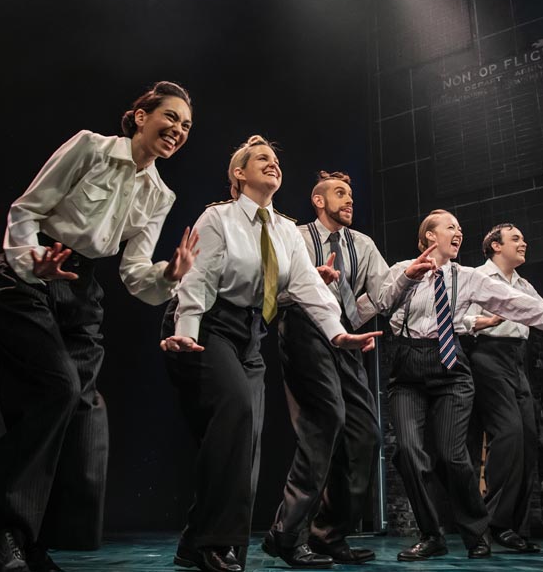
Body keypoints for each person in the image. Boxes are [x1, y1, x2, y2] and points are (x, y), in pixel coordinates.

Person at [0, 81, 200, 572]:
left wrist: (169, 274)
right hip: (28, 274)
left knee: (85, 413)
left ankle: (34, 541)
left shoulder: (159, 193)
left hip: (83, 291)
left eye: (186, 126)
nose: (178, 130)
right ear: (141, 116)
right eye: (171, 117)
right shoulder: (89, 147)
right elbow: (24, 211)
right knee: (57, 388)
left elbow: (135, 272)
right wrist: (36, 263)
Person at [160, 139, 381, 572]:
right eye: (262, 159)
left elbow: (308, 287)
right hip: (207, 323)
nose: (273, 165)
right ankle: (214, 544)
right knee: (237, 415)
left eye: (277, 161)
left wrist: (337, 334)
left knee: (248, 436)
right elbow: (198, 281)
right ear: (239, 174)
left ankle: (195, 540)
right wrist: (185, 331)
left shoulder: (284, 229)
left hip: (250, 334)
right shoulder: (218, 217)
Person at [377, 210, 543, 561]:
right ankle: (431, 535)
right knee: (409, 453)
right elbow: (382, 305)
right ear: (430, 237)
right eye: (450, 227)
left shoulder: (468, 277)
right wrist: (407, 279)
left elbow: (516, 304)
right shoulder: (402, 268)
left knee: (453, 455)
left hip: (451, 369)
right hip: (408, 367)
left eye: (460, 228)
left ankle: (477, 532)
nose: (458, 232)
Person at [264, 171, 389, 567]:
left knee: (365, 434)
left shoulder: (362, 244)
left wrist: (409, 275)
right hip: (304, 329)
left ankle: (329, 536)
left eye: (351, 194)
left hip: (347, 336)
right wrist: (309, 283)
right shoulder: (296, 237)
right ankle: (285, 533)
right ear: (319, 201)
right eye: (340, 193)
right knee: (324, 421)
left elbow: (381, 294)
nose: (349, 200)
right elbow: (272, 292)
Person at [462, 223, 543, 554]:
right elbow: (460, 320)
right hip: (486, 354)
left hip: (516, 359)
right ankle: (491, 523)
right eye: (516, 239)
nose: (524, 243)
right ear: (495, 246)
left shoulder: (523, 284)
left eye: (524, 238)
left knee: (527, 440)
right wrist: (479, 324)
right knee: (509, 434)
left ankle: (510, 526)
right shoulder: (476, 277)